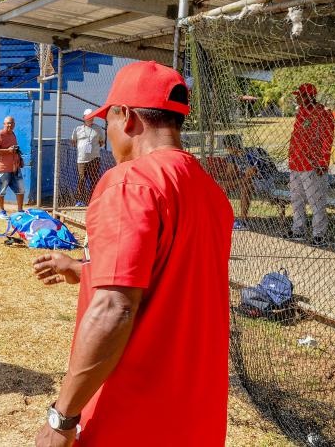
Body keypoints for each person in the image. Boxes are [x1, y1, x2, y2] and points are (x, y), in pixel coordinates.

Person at [30, 61, 233, 446]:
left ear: (127, 116)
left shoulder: (129, 182)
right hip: (196, 419)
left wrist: (62, 418)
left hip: (134, 417)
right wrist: (83, 270)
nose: (107, 134)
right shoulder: (211, 193)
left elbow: (115, 309)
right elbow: (174, 282)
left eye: (108, 120)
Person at [287, 83, 334, 247]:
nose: (297, 97)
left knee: (316, 201)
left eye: (299, 95)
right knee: (296, 199)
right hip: (296, 162)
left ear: (308, 96)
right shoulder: (300, 112)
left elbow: (328, 139)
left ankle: (319, 235)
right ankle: (298, 230)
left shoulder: (323, 113)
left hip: (312, 164)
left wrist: (323, 162)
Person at [221, 134, 278, 230]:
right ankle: (222, 216)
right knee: (224, 186)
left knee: (245, 186)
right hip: (250, 180)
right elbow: (229, 175)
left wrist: (233, 182)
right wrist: (226, 181)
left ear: (231, 147)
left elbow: (250, 176)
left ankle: (243, 221)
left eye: (228, 147)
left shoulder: (251, 154)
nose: (227, 150)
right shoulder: (233, 156)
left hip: (266, 180)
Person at [0, 115, 24, 219]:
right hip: (2, 169)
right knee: (1, 191)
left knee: (21, 189)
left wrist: (20, 159)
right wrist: (7, 151)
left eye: (12, 123)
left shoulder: (13, 134)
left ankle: (20, 210)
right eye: (8, 123)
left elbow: (15, 149)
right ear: (4, 124)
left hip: (15, 168)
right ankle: (2, 212)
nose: (10, 125)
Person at [70, 108, 105, 206]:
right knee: (81, 179)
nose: (91, 118)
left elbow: (102, 142)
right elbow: (73, 142)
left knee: (94, 179)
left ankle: (94, 200)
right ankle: (80, 200)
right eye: (88, 117)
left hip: (94, 158)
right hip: (81, 159)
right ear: (83, 118)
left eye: (92, 116)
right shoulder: (78, 129)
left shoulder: (98, 129)